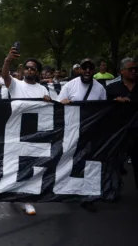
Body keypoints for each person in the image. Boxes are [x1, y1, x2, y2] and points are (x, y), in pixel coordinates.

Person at [1, 47, 51, 216]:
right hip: (15, 130)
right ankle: (14, 193)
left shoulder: (43, 90)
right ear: (23, 70)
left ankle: (25, 198)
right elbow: (5, 75)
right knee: (14, 164)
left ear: (37, 72)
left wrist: (51, 101)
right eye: (27, 67)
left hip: (35, 133)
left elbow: (53, 110)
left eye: (33, 68)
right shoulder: (15, 84)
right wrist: (8, 60)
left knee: (30, 165)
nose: (30, 70)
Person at [58, 58, 106, 213]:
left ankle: (88, 197)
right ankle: (69, 191)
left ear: (94, 70)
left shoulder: (99, 89)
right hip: (72, 130)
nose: (87, 71)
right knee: (71, 161)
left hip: (91, 132)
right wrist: (63, 102)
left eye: (90, 68)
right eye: (84, 68)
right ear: (79, 69)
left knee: (90, 163)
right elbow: (58, 105)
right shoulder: (69, 86)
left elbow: (103, 110)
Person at [106, 57, 138, 186]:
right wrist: (114, 102)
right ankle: (112, 190)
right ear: (122, 71)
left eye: (136, 69)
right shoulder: (112, 88)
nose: (134, 71)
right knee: (114, 163)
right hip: (119, 132)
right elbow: (104, 108)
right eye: (131, 69)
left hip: (137, 132)